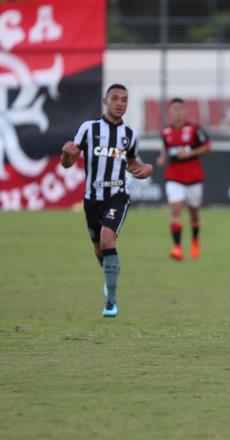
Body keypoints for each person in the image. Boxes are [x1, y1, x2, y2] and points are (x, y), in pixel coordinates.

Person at [60, 84, 153, 317]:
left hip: (117, 195)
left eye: (124, 99)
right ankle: (109, 276)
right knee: (99, 249)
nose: (120, 103)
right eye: (115, 98)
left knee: (107, 240)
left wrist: (146, 168)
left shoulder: (130, 135)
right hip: (92, 199)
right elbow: (67, 162)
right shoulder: (88, 129)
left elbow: (131, 163)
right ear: (105, 101)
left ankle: (111, 302)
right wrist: (66, 153)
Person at [156, 98, 212, 261]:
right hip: (173, 176)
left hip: (193, 177)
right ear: (170, 111)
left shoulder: (194, 129)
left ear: (184, 110)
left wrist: (189, 153)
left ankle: (195, 241)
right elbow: (165, 149)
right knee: (175, 210)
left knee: (194, 214)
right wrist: (162, 158)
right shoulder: (165, 131)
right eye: (174, 109)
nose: (177, 112)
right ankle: (177, 248)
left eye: (180, 109)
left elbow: (208, 146)